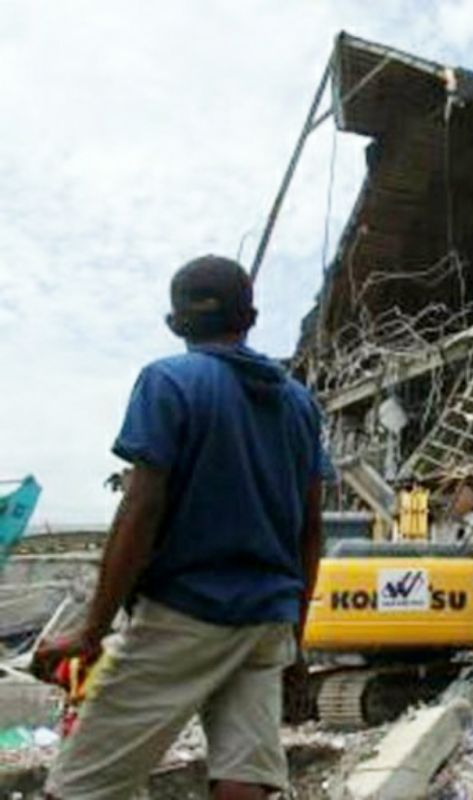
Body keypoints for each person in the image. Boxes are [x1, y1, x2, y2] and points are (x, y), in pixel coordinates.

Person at [42, 255, 332, 799]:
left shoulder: (167, 382)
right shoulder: (300, 405)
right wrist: (296, 636)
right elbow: (309, 531)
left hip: (186, 613)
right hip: (266, 621)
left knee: (80, 786)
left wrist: (91, 630)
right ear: (250, 318)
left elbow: (140, 511)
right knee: (244, 780)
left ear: (176, 324)